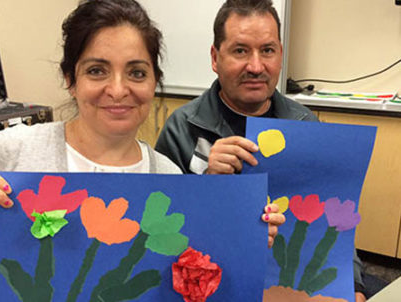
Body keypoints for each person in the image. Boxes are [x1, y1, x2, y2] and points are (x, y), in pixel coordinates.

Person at [0, 1, 281, 301]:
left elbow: (182, 283)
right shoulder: (8, 153)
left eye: (137, 72)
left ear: (154, 82)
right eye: (97, 70)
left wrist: (242, 239)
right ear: (71, 78)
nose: (119, 90)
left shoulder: (167, 177)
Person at [155, 0, 367, 301]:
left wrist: (354, 287)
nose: (256, 67)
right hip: (212, 286)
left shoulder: (305, 124)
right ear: (215, 58)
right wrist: (208, 187)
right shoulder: (182, 127)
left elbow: (337, 220)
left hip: (286, 286)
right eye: (240, 50)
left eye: (267, 50)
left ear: (280, 55)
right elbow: (159, 232)